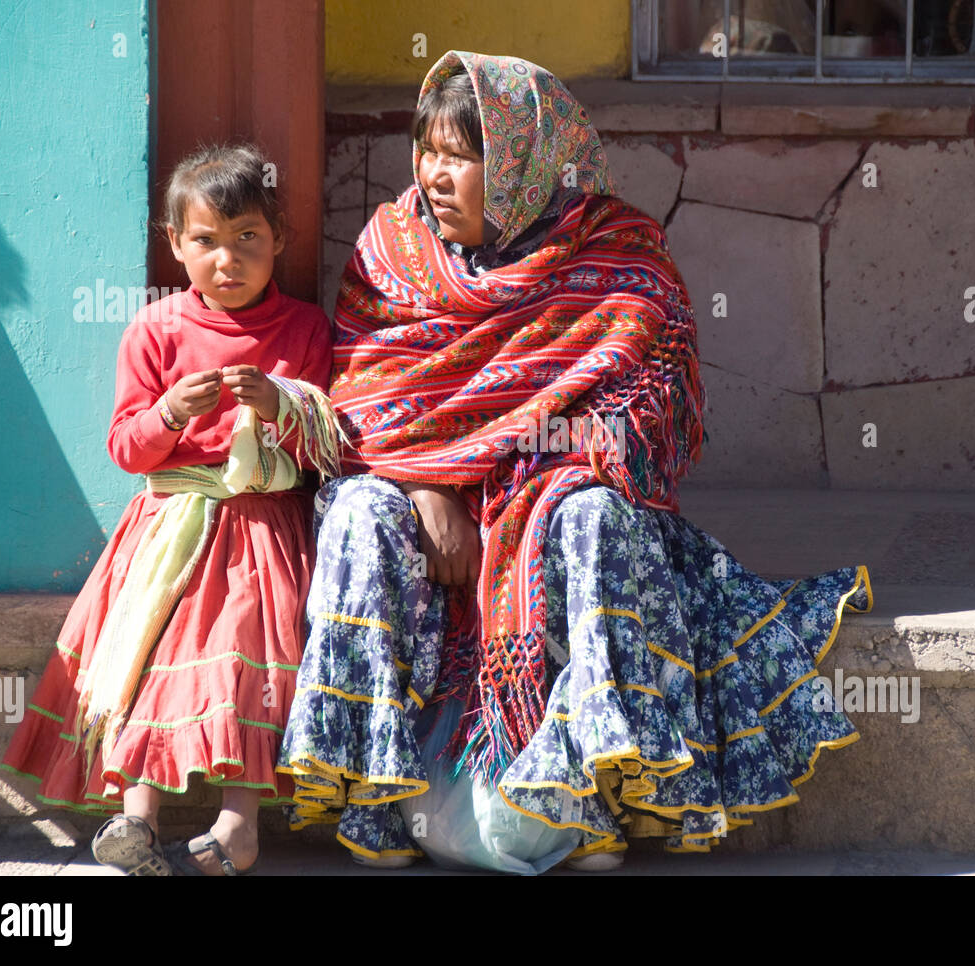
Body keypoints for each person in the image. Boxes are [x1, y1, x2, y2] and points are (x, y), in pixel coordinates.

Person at [278, 51, 872, 874]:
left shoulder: (618, 261)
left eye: (462, 155)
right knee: (356, 512)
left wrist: (517, 490)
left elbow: (643, 420)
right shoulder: (392, 253)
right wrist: (429, 486)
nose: (434, 175)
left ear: (523, 162)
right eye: (427, 150)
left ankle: (597, 788)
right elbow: (362, 406)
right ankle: (378, 794)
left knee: (595, 517)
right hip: (428, 504)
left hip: (549, 504)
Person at [2, 144, 339, 876]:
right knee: (151, 656)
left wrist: (280, 404)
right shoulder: (153, 333)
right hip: (166, 538)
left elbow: (324, 446)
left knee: (253, 658)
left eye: (247, 237)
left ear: (278, 238)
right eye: (206, 242)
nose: (228, 259)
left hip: (261, 530)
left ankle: (237, 824)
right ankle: (136, 820)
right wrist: (169, 417)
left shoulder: (307, 330)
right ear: (176, 245)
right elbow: (127, 446)